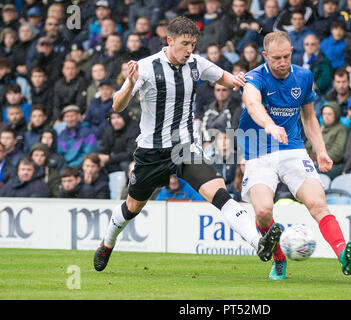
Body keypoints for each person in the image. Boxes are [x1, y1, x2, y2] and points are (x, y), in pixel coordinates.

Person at [93, 16, 277, 273]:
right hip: (151, 151)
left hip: (184, 148)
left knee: (219, 193)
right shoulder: (145, 67)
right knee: (133, 207)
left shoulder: (196, 64)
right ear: (169, 41)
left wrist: (241, 79)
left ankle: (258, 243)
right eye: (185, 43)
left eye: (193, 43)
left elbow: (227, 79)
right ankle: (107, 242)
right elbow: (116, 105)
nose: (189, 49)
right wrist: (130, 84)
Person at [239, 31, 351, 280]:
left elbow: (309, 117)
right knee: (262, 211)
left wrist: (322, 150)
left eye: (286, 56)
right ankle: (279, 259)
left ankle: (342, 254)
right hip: (259, 150)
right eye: (276, 58)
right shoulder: (254, 78)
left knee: (317, 202)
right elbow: (253, 105)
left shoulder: (304, 76)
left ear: (292, 52)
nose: (283, 62)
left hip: (292, 148)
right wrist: (269, 125)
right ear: (265, 56)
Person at [306, 101, 348, 179]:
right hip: (315, 162)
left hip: (331, 165)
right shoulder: (320, 127)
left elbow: (338, 152)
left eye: (329, 114)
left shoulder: (341, 129)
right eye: (324, 114)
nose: (326, 116)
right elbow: (309, 143)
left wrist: (319, 159)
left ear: (336, 114)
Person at [97, 109, 140, 174]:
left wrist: (110, 158)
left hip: (127, 160)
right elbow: (103, 148)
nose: (115, 121)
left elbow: (131, 153)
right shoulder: (110, 129)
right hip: (112, 158)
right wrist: (101, 157)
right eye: (113, 118)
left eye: (118, 117)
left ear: (124, 117)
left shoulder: (134, 129)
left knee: (125, 165)